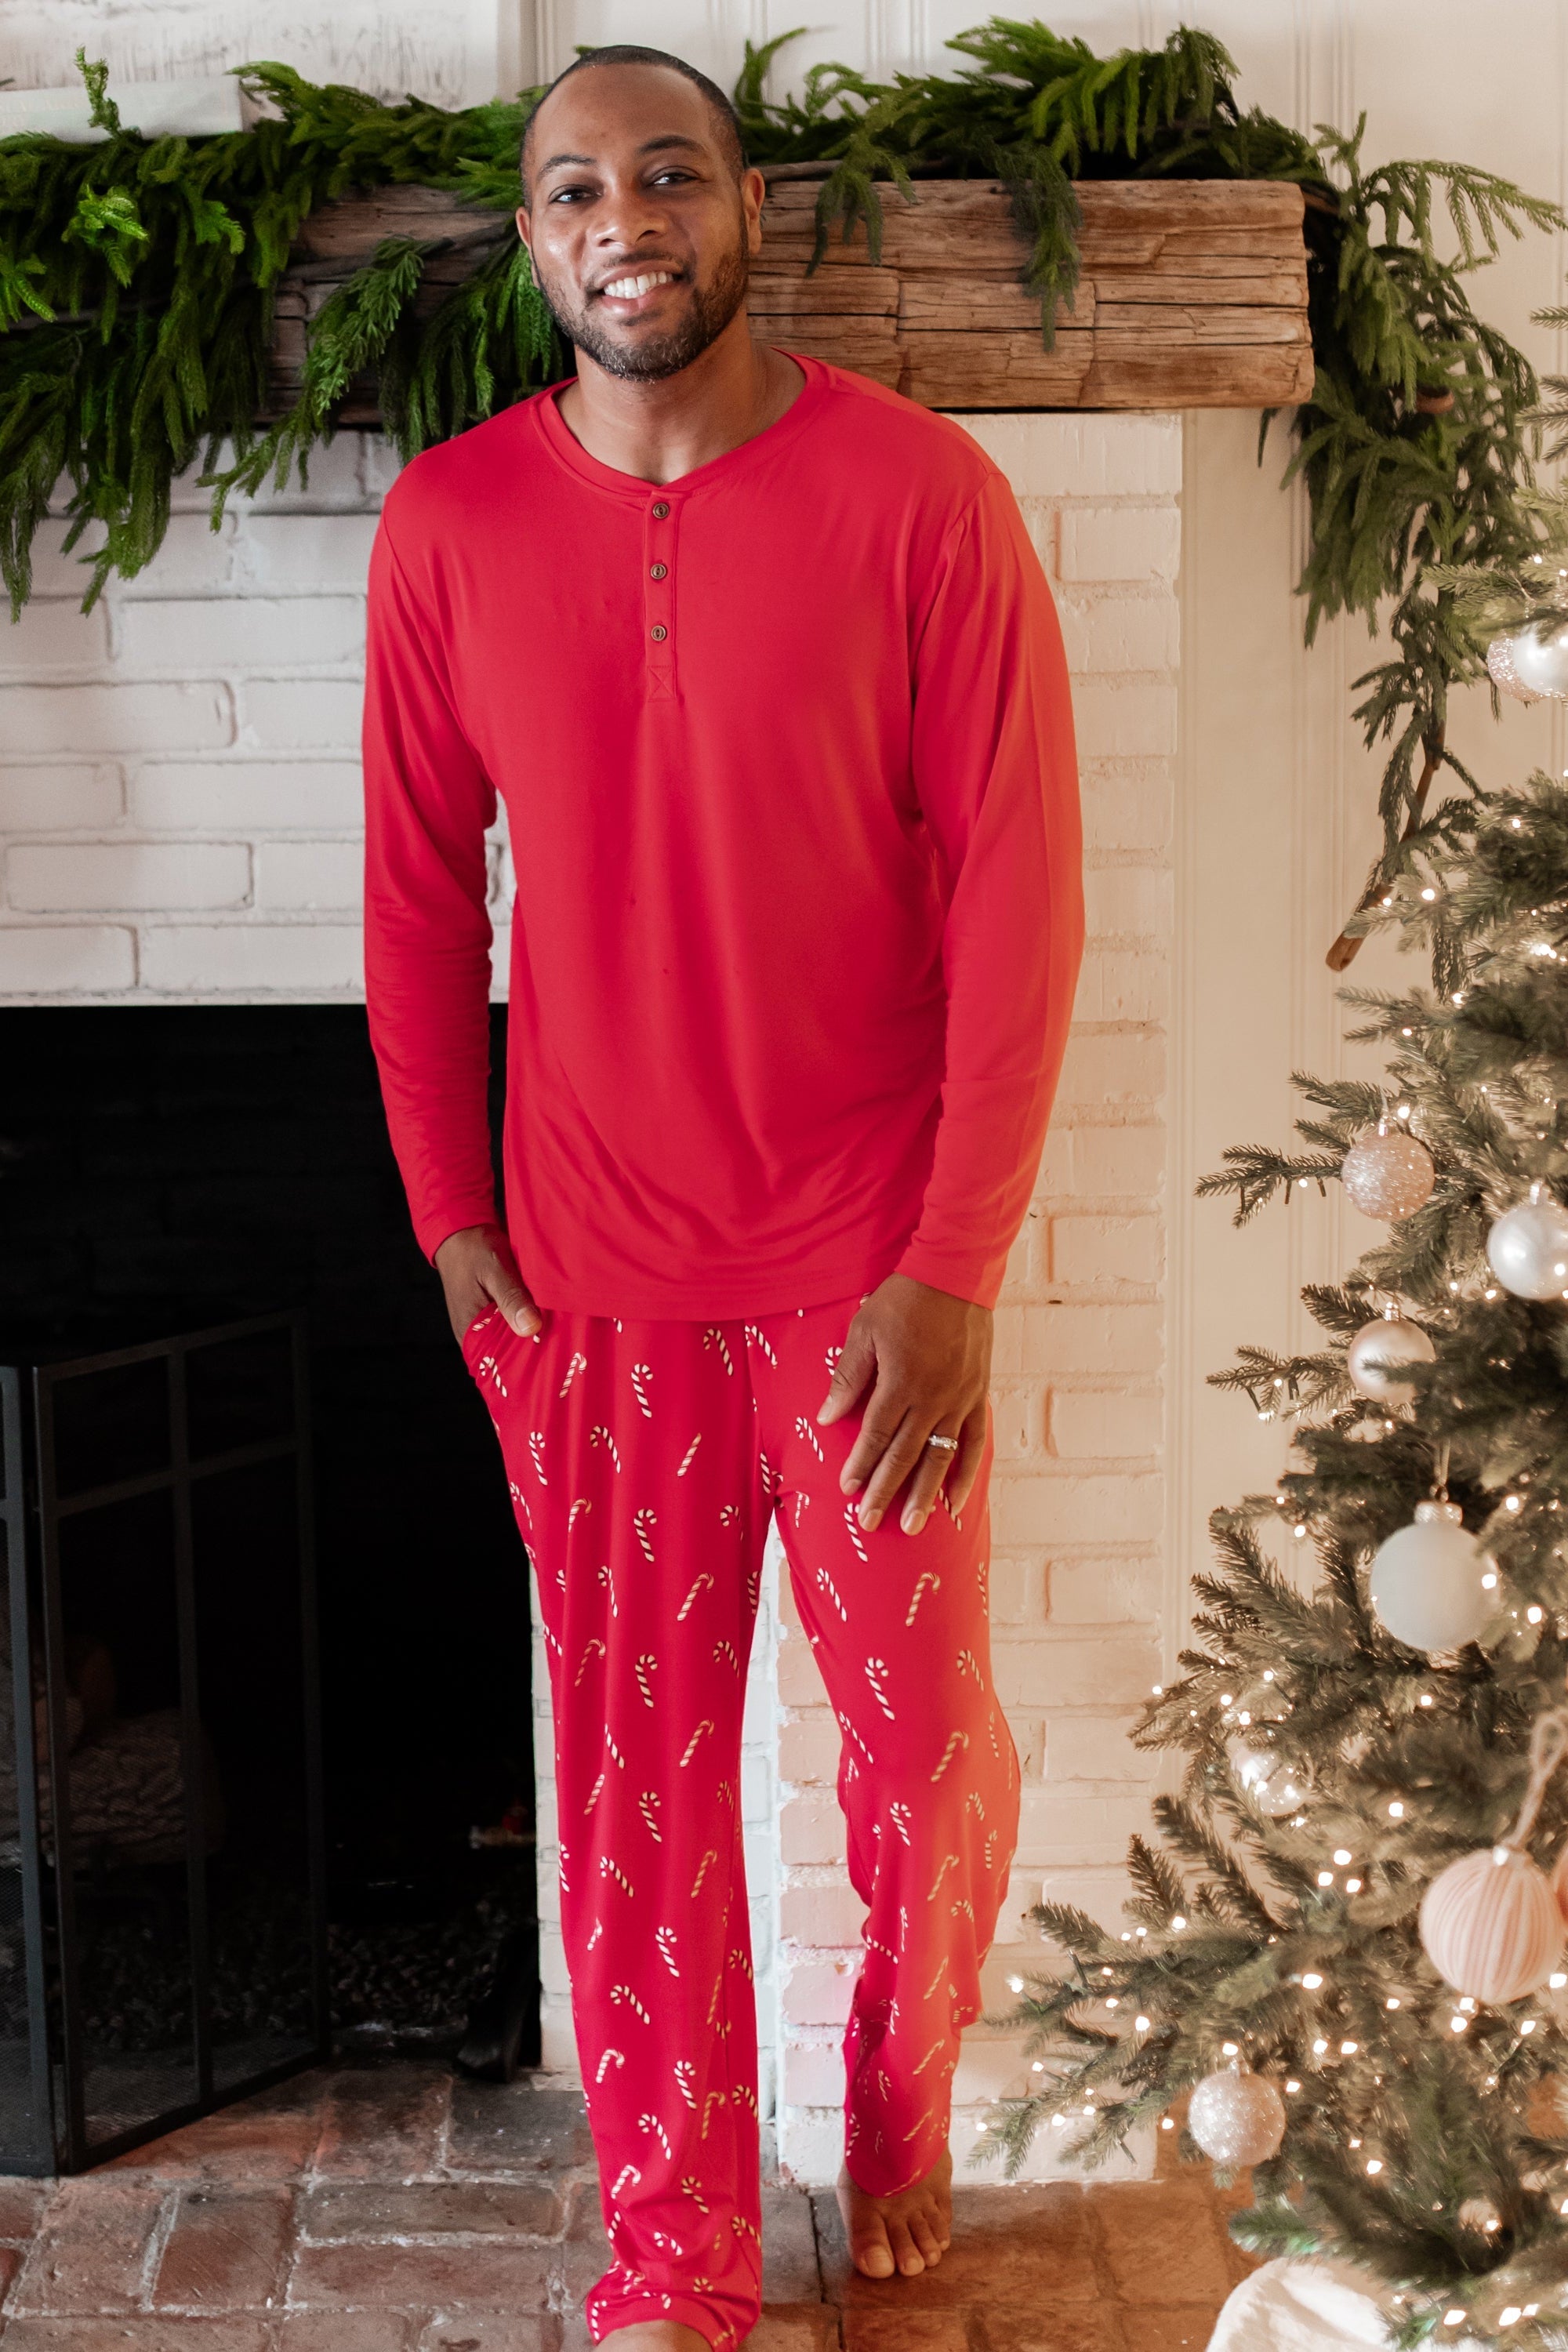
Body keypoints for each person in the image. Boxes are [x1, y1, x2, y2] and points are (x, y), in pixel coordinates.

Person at [361, 42, 1083, 2352]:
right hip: (587, 1290)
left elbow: (1022, 894)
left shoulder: (920, 498)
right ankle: (671, 2258)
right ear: (535, 237)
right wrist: (452, 1225)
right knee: (636, 1792)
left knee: (924, 1756)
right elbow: (404, 895)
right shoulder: (454, 528)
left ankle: (893, 2108)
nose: (624, 216)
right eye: (576, 186)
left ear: (742, 204)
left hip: (872, 1276)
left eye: (668, 172)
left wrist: (955, 1265)